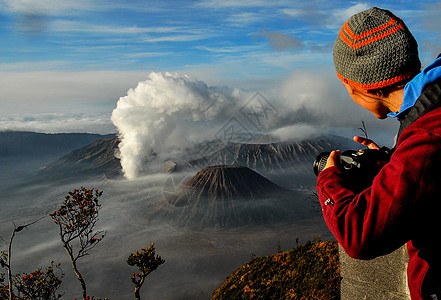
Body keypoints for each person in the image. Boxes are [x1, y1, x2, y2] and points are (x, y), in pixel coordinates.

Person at [317, 7, 441, 300]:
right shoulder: (431, 107)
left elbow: (359, 235)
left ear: (358, 86)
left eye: (344, 84)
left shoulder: (428, 134)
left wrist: (329, 179)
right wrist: (394, 161)